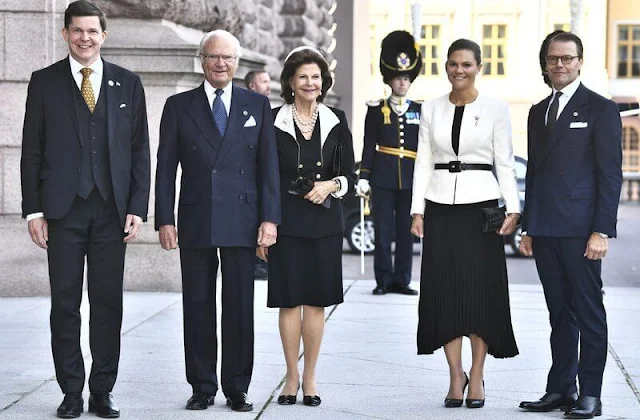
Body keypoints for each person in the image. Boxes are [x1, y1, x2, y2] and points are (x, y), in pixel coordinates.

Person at [19, 1, 150, 418]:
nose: (85, 38)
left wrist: (137, 207)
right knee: (65, 304)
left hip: (112, 212)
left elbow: (141, 152)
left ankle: (102, 390)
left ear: (104, 36)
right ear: (65, 34)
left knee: (108, 303)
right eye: (77, 31)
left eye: (93, 31)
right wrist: (33, 211)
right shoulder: (44, 82)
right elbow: (31, 152)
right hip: (63, 212)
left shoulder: (128, 83)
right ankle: (71, 391)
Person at [154, 30, 280, 412]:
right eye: (213, 57)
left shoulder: (257, 105)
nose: (220, 64)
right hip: (194, 217)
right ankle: (202, 386)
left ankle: (237, 386)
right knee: (197, 303)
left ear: (237, 63)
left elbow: (268, 168)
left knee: (240, 305)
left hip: (242, 217)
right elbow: (165, 169)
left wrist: (269, 219)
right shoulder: (179, 106)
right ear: (202, 60)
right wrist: (164, 218)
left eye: (227, 57)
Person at [410, 38, 520, 409]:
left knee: (480, 291)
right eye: (453, 64)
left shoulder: (495, 108)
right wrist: (417, 210)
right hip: (440, 207)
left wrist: (513, 209)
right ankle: (455, 376)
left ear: (479, 67)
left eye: (467, 65)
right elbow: (422, 161)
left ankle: (477, 375)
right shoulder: (431, 108)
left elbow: (504, 162)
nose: (459, 70)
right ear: (445, 66)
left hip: (483, 207)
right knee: (444, 292)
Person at [518, 32, 623, 419]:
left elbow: (610, 175)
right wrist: (529, 227)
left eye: (567, 58)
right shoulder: (537, 111)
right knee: (559, 314)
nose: (559, 65)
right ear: (544, 63)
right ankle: (560, 388)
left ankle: (590, 394)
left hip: (582, 232)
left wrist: (601, 231)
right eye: (552, 59)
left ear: (580, 61)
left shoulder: (601, 109)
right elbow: (535, 176)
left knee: (588, 312)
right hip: (545, 229)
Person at [264, 46, 356, 407]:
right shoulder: (272, 120)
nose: (309, 82)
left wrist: (331, 185)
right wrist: (265, 224)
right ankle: (290, 376)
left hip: (324, 223)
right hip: (285, 223)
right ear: (290, 81)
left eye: (315, 76)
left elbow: (348, 172)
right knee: (289, 303)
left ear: (323, 81)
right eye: (302, 76)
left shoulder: (337, 119)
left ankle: (311, 378)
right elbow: (265, 177)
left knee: (315, 304)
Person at [357, 30, 421, 296]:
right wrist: (363, 175)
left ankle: (402, 279)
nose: (403, 83)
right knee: (383, 231)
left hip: (410, 179)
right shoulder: (376, 109)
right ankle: (383, 279)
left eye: (406, 78)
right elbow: (368, 144)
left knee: (406, 233)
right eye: (398, 78)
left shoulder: (420, 109)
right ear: (390, 80)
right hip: (382, 178)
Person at [244, 69, 272, 279]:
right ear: (252, 85)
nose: (268, 86)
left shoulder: (268, 108)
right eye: (264, 82)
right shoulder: (243, 108)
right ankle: (257, 264)